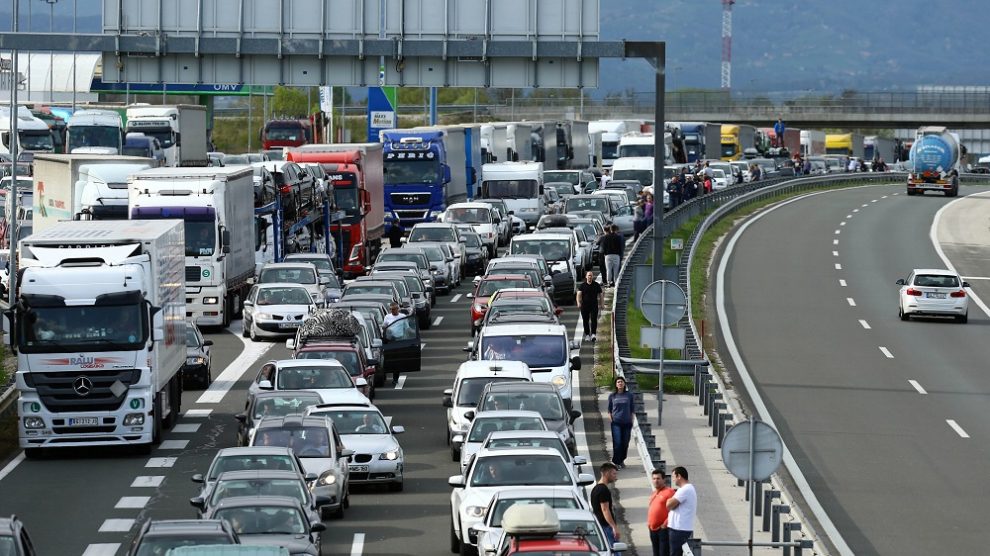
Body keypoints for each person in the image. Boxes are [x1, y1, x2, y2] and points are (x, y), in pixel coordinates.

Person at [591, 462, 622, 555]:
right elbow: (605, 510)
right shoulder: (603, 490)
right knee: (615, 551)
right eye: (614, 474)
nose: (615, 477)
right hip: (606, 527)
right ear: (607, 473)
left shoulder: (596, 488)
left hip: (600, 525)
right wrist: (614, 527)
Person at [666, 466, 697, 556]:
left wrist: (669, 501)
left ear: (679, 476)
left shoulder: (685, 489)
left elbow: (668, 505)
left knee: (675, 553)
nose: (673, 479)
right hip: (679, 528)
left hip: (679, 529)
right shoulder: (685, 489)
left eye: (673, 477)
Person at [648, 469, 676, 556]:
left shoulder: (669, 492)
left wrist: (665, 524)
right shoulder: (654, 493)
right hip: (653, 529)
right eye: (654, 479)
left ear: (664, 479)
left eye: (658, 478)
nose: (656, 481)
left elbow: (675, 510)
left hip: (663, 530)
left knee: (664, 553)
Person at [607, 377, 634, 468]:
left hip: (627, 423)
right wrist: (611, 419)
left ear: (624, 384)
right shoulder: (612, 396)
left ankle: (622, 459)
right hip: (616, 423)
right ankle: (616, 462)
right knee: (617, 443)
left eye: (621, 382)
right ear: (616, 384)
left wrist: (631, 421)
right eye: (618, 382)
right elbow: (609, 410)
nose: (620, 383)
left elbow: (632, 410)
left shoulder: (629, 395)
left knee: (625, 443)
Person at [576, 271, 603, 342]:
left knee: (594, 319)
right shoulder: (582, 285)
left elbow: (601, 294)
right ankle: (587, 334)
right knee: (585, 320)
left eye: (591, 275)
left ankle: (593, 334)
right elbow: (578, 294)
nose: (589, 277)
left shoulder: (596, 285)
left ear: (592, 276)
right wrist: (578, 302)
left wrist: (602, 304)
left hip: (594, 305)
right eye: (588, 275)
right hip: (584, 306)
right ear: (586, 277)